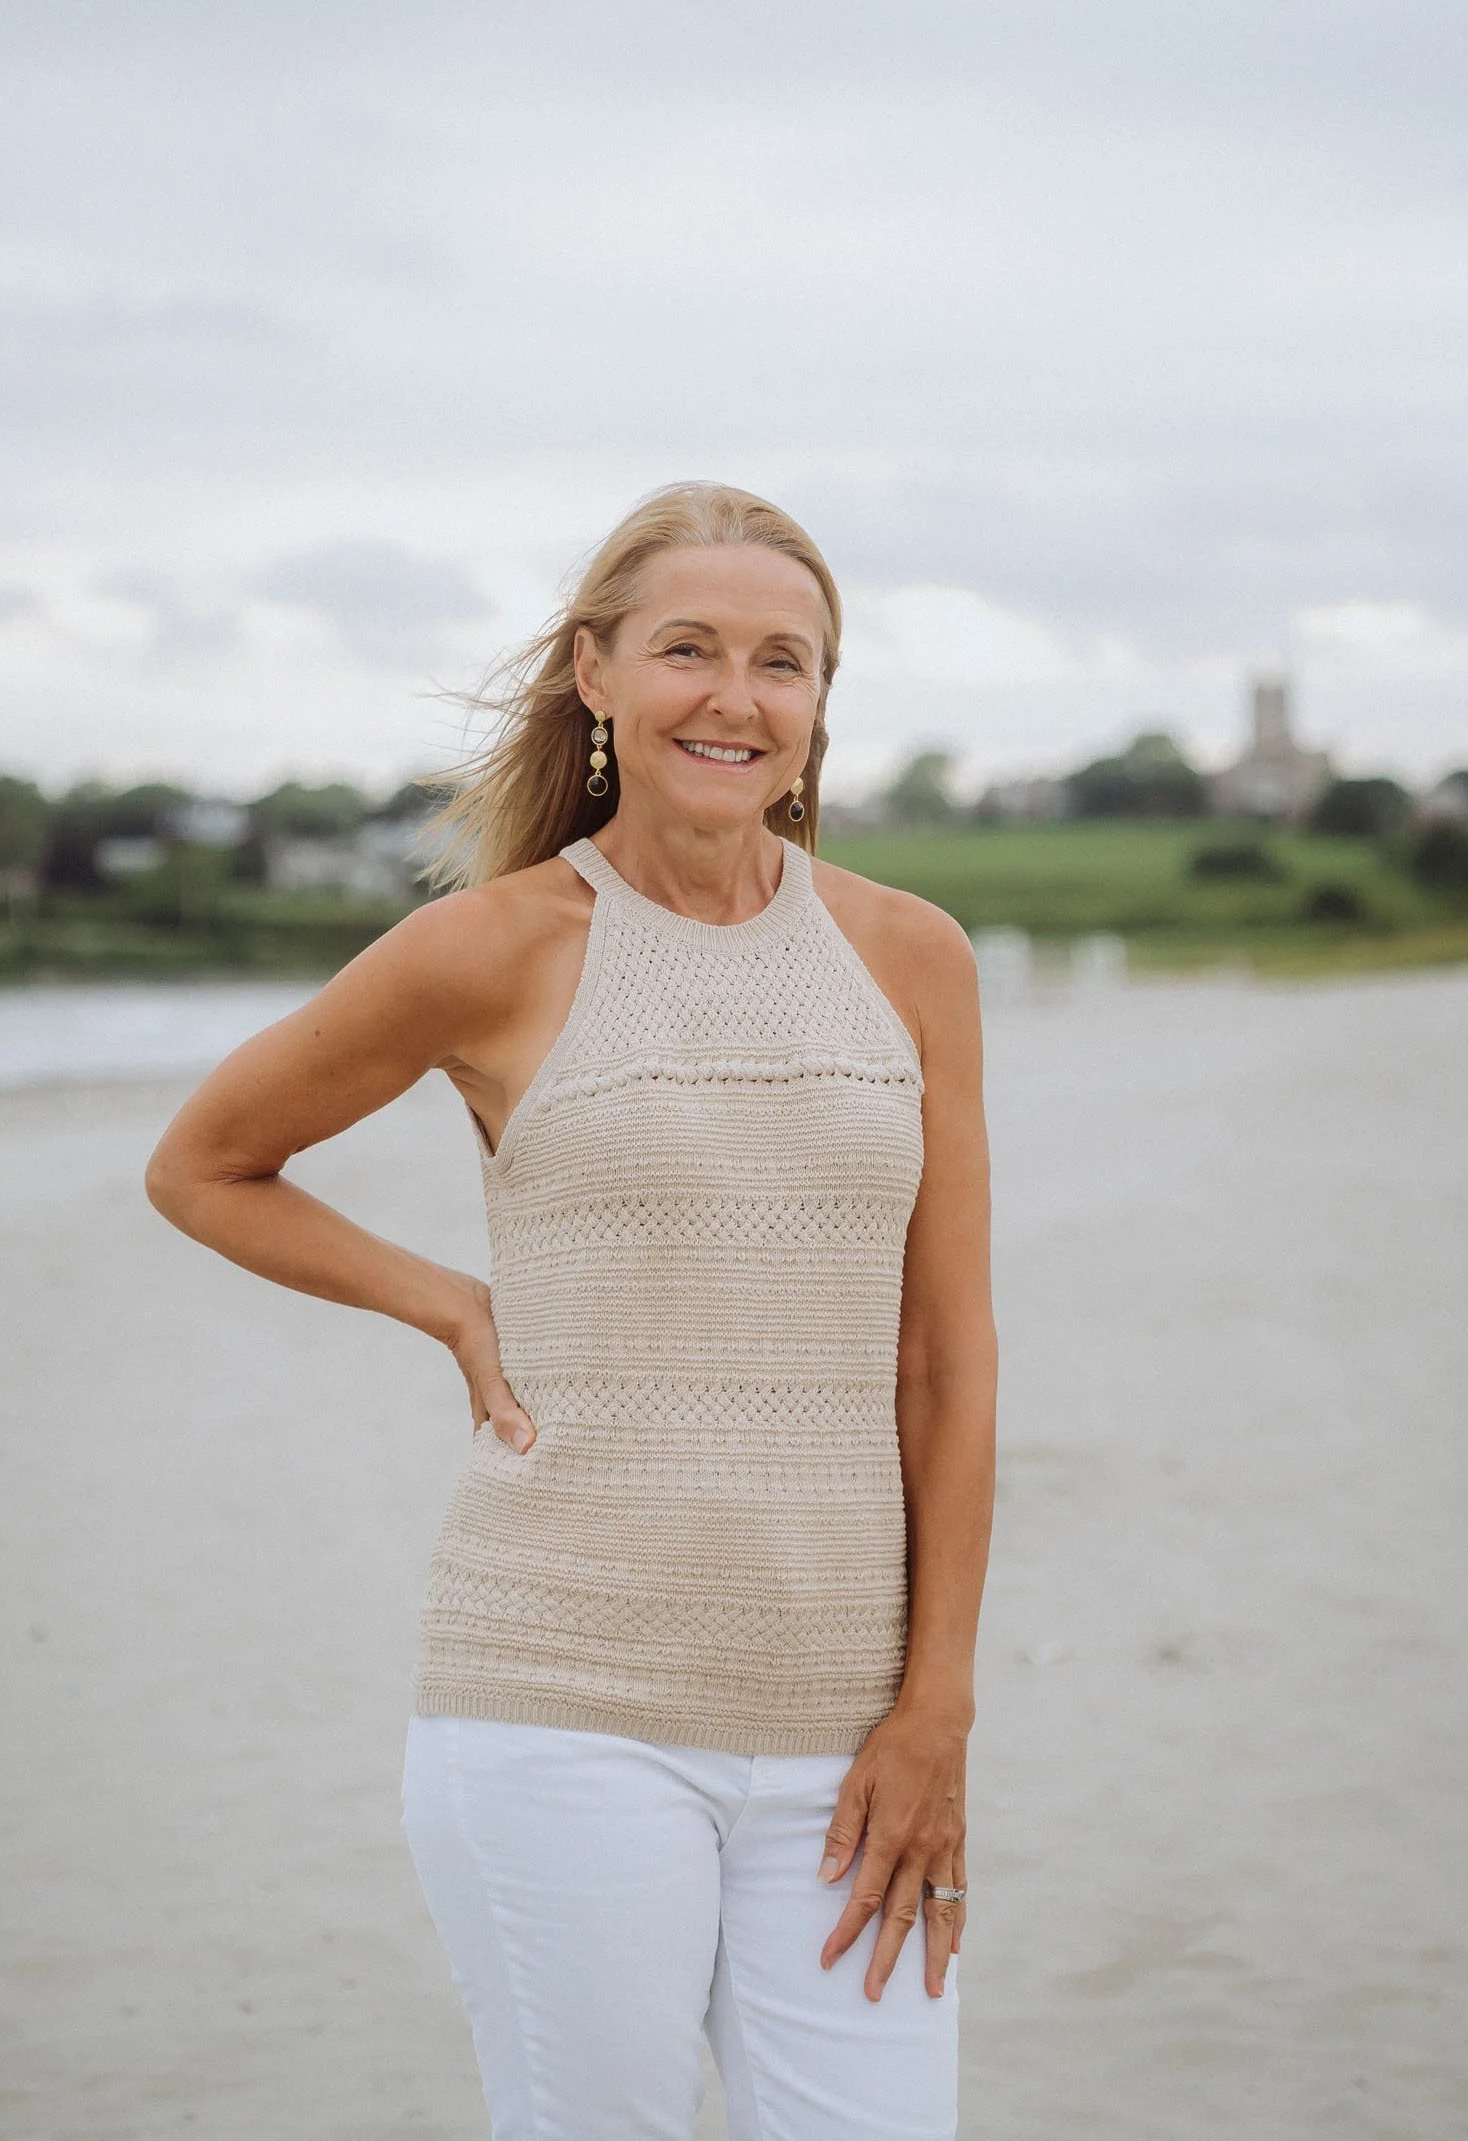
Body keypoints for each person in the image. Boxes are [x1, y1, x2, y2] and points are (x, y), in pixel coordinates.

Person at [145, 483, 997, 2139]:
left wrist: (935, 1707)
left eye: (782, 663)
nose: (734, 698)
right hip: (559, 1699)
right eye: (687, 649)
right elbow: (205, 1165)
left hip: (851, 1720)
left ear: (821, 707)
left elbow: (945, 1358)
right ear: (595, 675)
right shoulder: (493, 948)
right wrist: (451, 1306)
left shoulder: (911, 957)